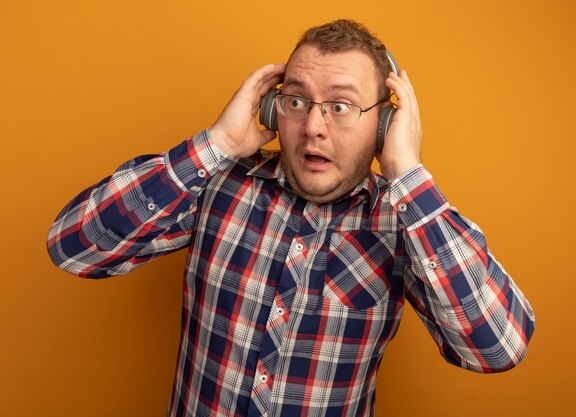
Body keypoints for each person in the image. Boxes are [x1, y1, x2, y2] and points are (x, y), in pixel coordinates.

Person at [47, 19, 535, 417]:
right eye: (296, 101)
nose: (313, 127)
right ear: (270, 107)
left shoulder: (404, 223)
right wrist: (214, 146)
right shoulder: (217, 186)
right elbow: (73, 248)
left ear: (384, 123)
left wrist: (407, 173)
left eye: (340, 106)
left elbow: (496, 347)